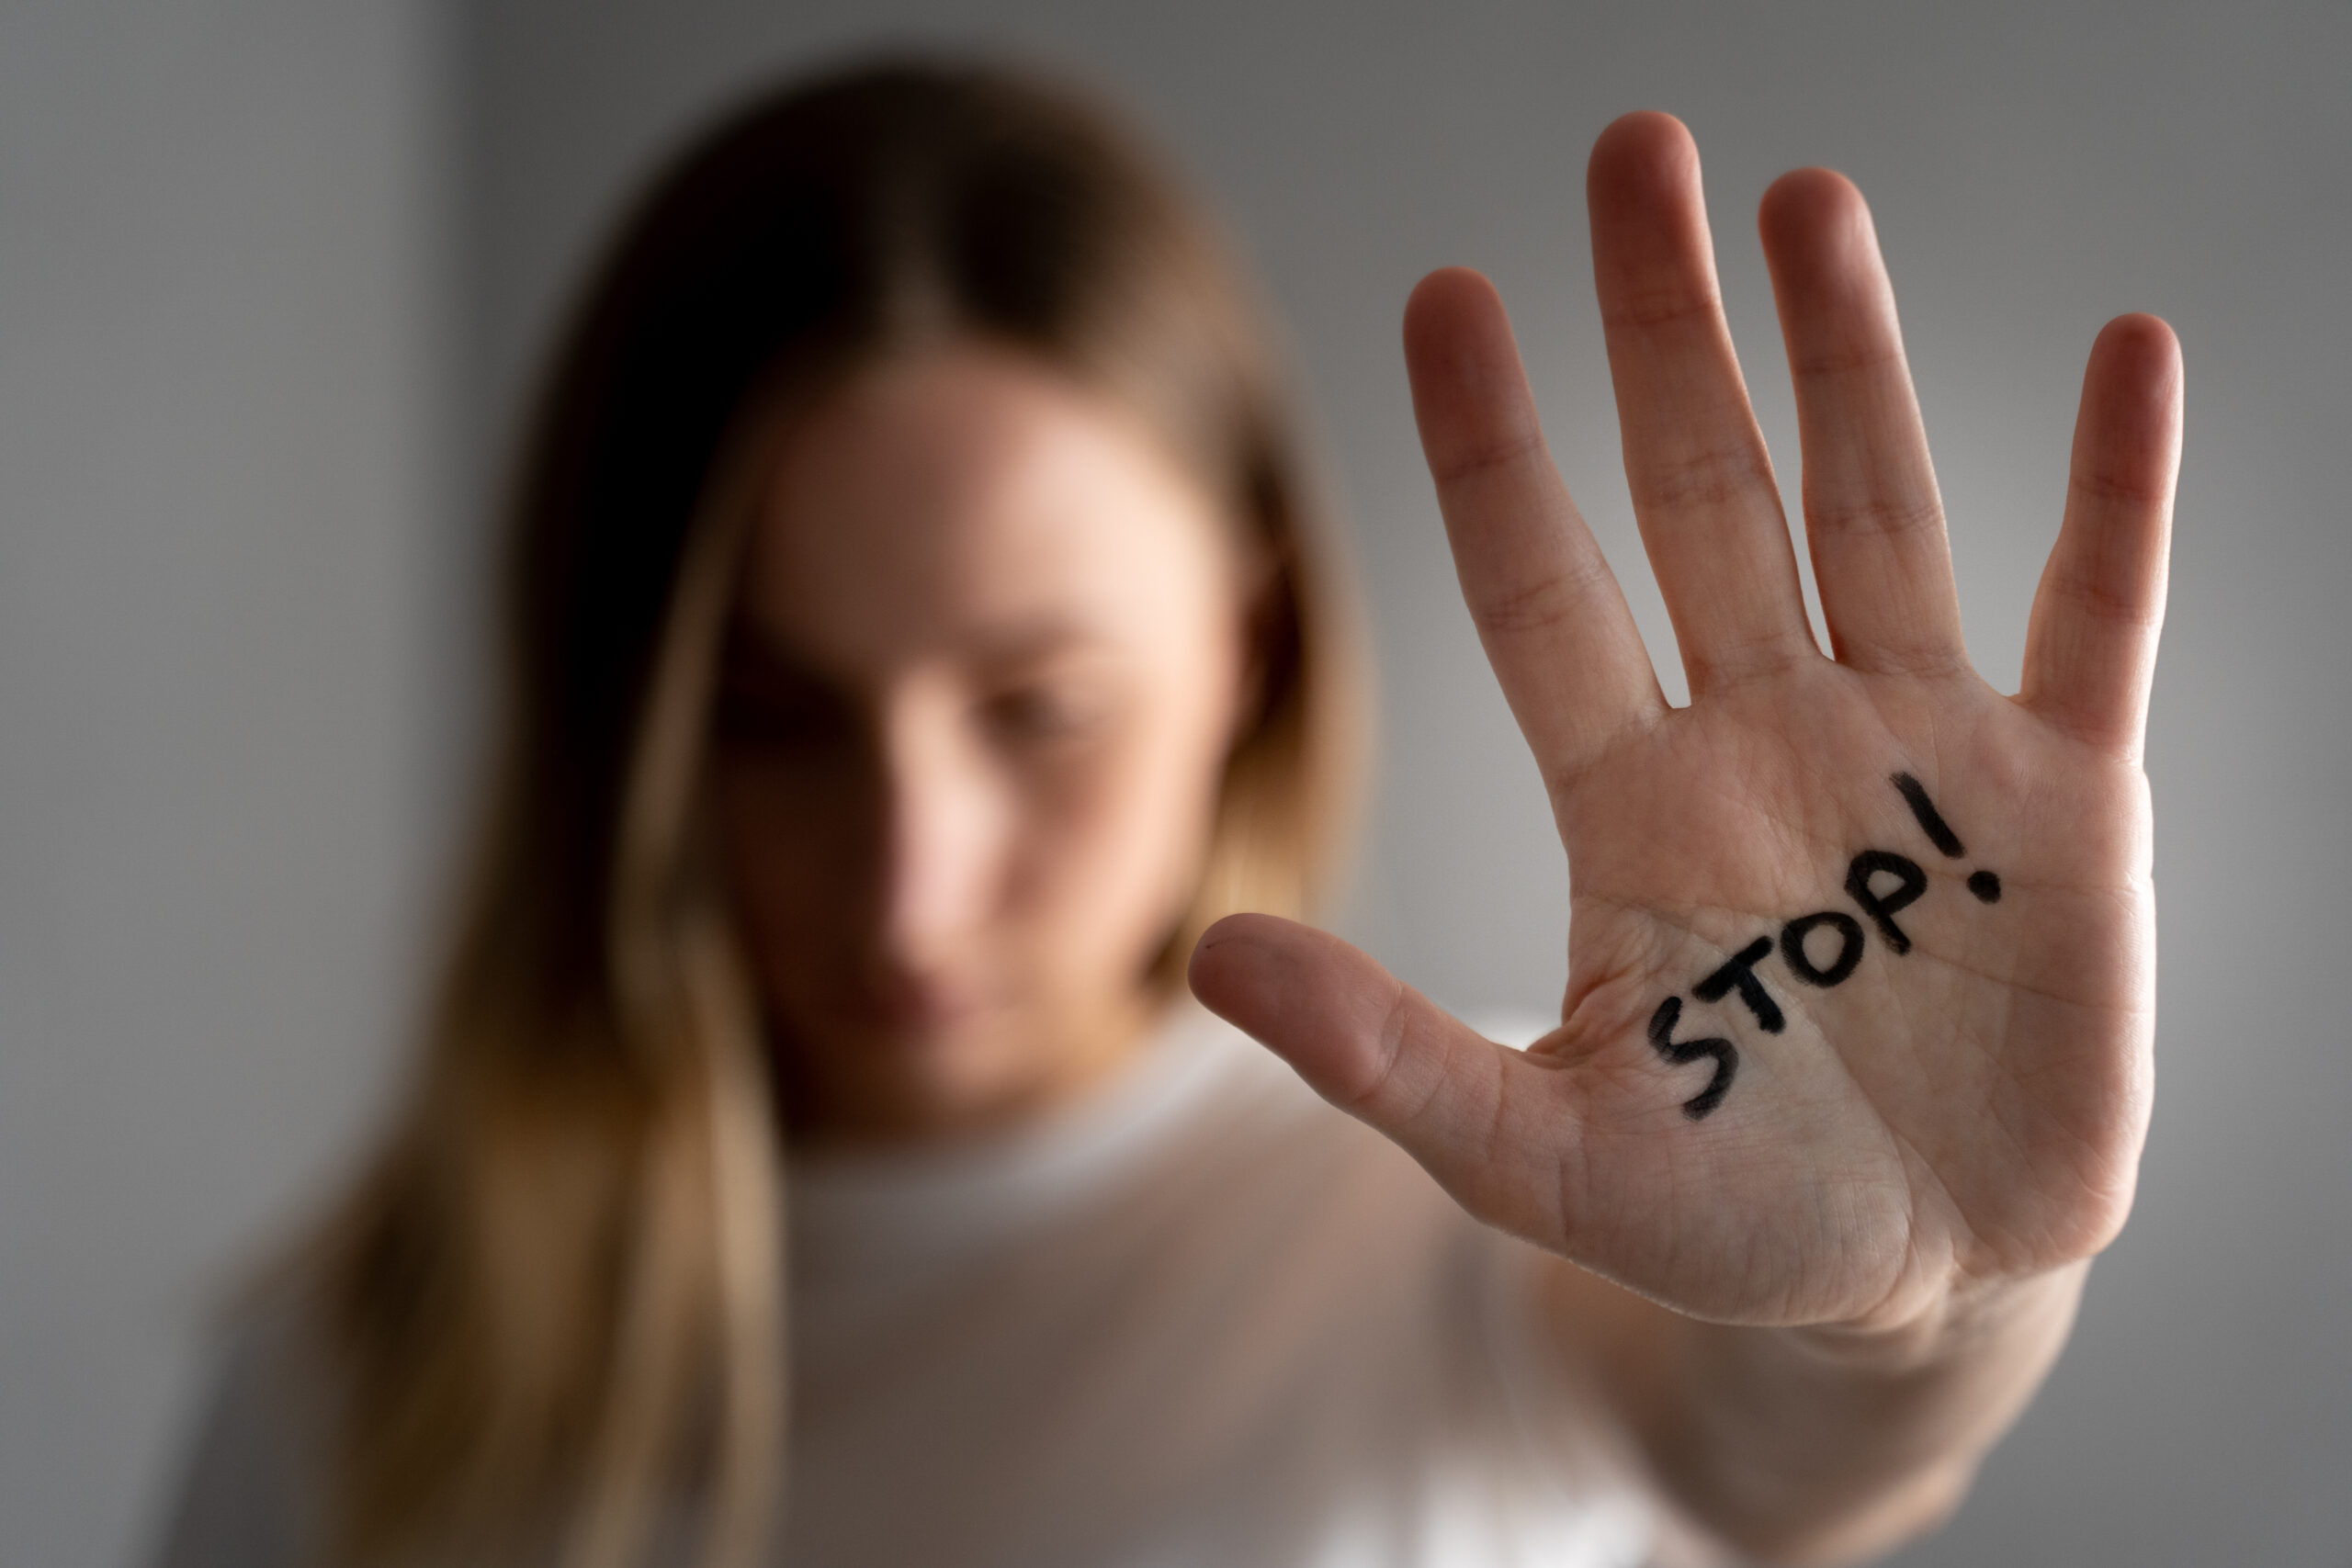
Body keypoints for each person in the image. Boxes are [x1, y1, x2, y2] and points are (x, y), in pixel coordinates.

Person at [153, 55, 2181, 1568]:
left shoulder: (1500, 1193)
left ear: (1250, 648)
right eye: (771, 720)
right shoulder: (361, 1372)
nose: (907, 880)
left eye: (1037, 709)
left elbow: (1785, 1448)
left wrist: (1939, 1306)